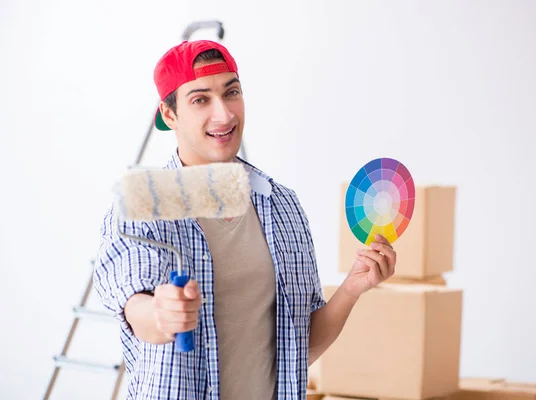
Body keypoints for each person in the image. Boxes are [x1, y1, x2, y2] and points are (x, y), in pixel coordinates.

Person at [93, 39, 397, 400]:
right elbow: (135, 309)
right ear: (169, 114)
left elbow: (296, 350)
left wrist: (351, 289)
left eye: (231, 92)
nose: (224, 114)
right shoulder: (145, 207)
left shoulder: (280, 204)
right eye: (200, 99)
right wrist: (162, 313)